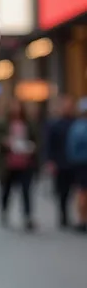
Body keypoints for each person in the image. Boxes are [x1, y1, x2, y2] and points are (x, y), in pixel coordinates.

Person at [0, 99, 38, 231]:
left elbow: (36, 139)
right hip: (8, 163)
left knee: (26, 191)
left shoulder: (28, 123)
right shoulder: (3, 123)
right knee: (6, 190)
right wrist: (4, 142)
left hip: (25, 163)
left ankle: (28, 216)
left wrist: (32, 147)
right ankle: (4, 213)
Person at [45, 94, 76, 228]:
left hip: (75, 162)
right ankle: (63, 216)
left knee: (75, 191)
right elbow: (49, 144)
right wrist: (50, 161)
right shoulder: (55, 125)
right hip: (61, 162)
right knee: (62, 191)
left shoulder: (76, 123)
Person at [66, 97, 87, 233]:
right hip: (82, 164)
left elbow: (71, 148)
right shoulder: (79, 127)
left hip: (80, 164)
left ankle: (82, 219)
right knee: (82, 193)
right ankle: (82, 219)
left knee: (81, 192)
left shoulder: (76, 126)